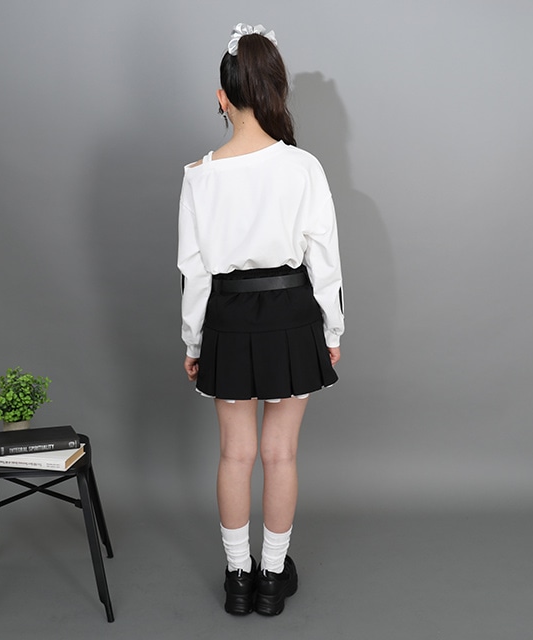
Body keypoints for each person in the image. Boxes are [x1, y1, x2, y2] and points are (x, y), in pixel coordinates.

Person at [177, 23, 344, 616]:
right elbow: (325, 260)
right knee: (280, 454)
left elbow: (194, 271)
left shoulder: (199, 175)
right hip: (292, 315)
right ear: (275, 89)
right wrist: (332, 330)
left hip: (227, 317)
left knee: (234, 454)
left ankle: (237, 579)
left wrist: (194, 341)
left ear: (222, 96)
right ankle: (272, 579)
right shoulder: (304, 167)